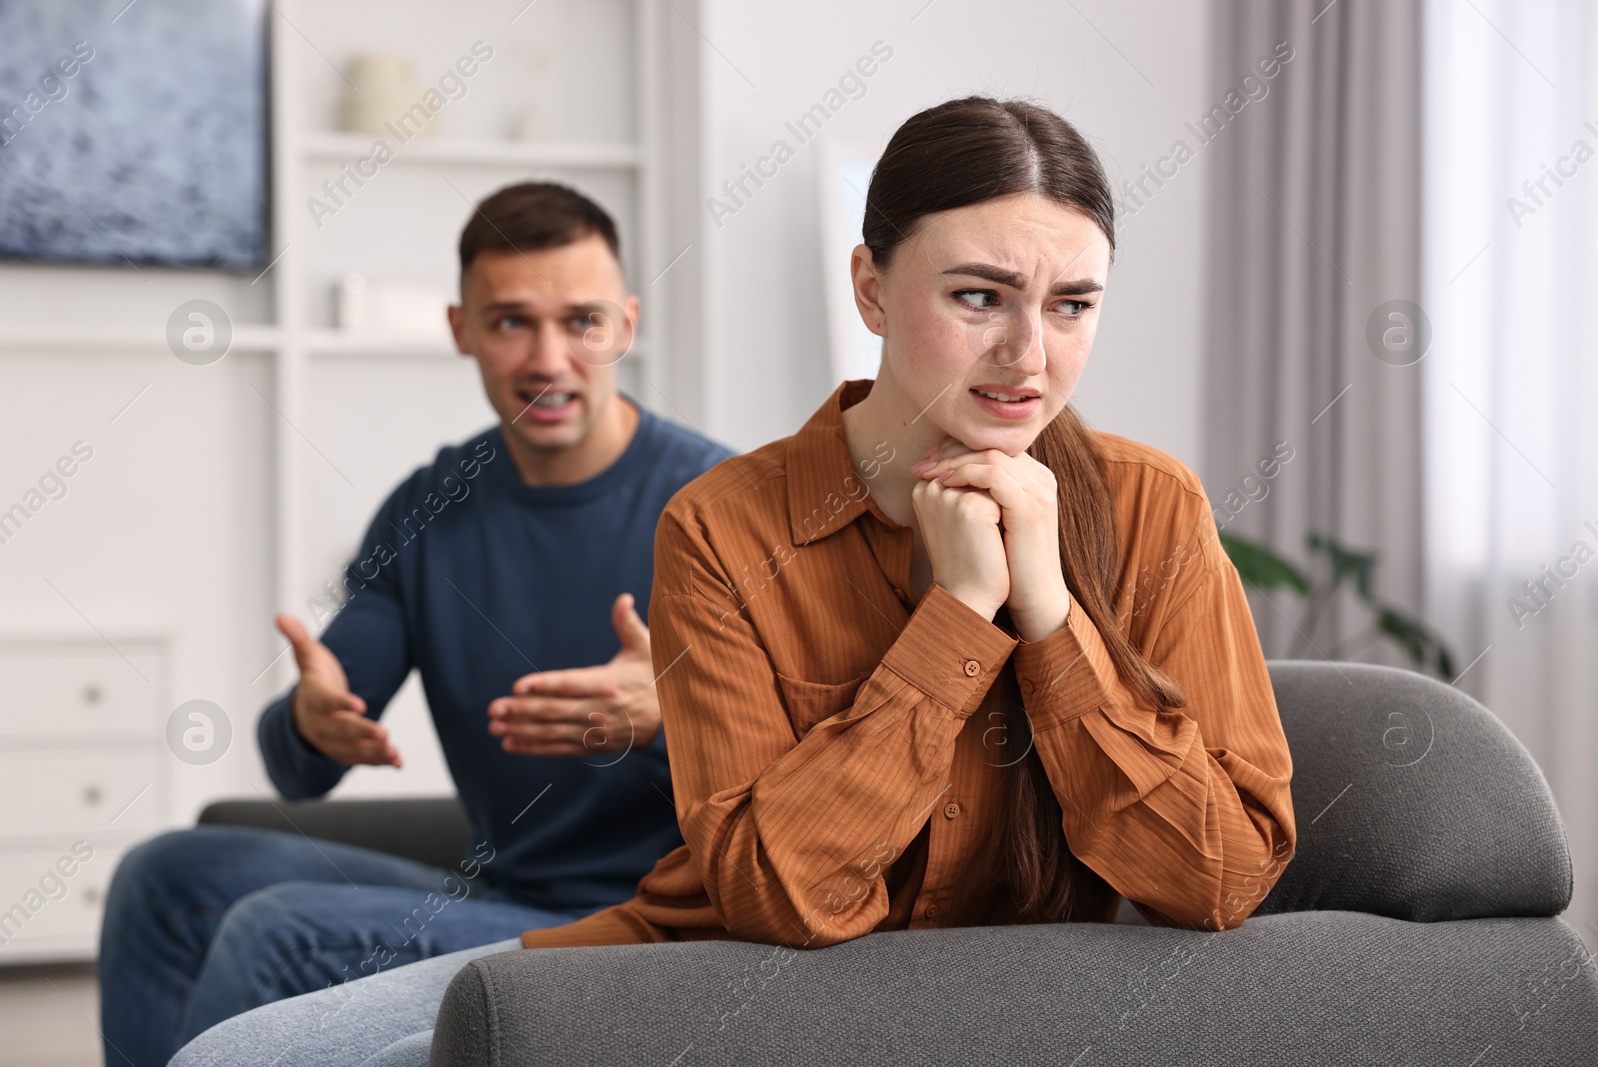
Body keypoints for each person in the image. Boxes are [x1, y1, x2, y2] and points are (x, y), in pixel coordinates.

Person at [168, 95, 1296, 1067]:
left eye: (1072, 304)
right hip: (688, 953)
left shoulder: (1153, 509)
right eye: (976, 297)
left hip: (919, 996)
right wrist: (956, 616)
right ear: (869, 286)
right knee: (233, 1051)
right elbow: (769, 891)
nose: (1028, 355)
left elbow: (1220, 874)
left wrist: (1038, 612)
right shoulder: (722, 524)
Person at [99, 180, 733, 1067]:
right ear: (461, 330)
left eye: (582, 321)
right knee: (164, 876)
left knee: (274, 931)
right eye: (512, 321)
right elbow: (301, 761)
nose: (549, 357)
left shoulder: (723, 504)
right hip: (501, 889)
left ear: (624, 324)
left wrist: (674, 712)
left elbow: (817, 778)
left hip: (659, 919)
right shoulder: (433, 503)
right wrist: (313, 724)